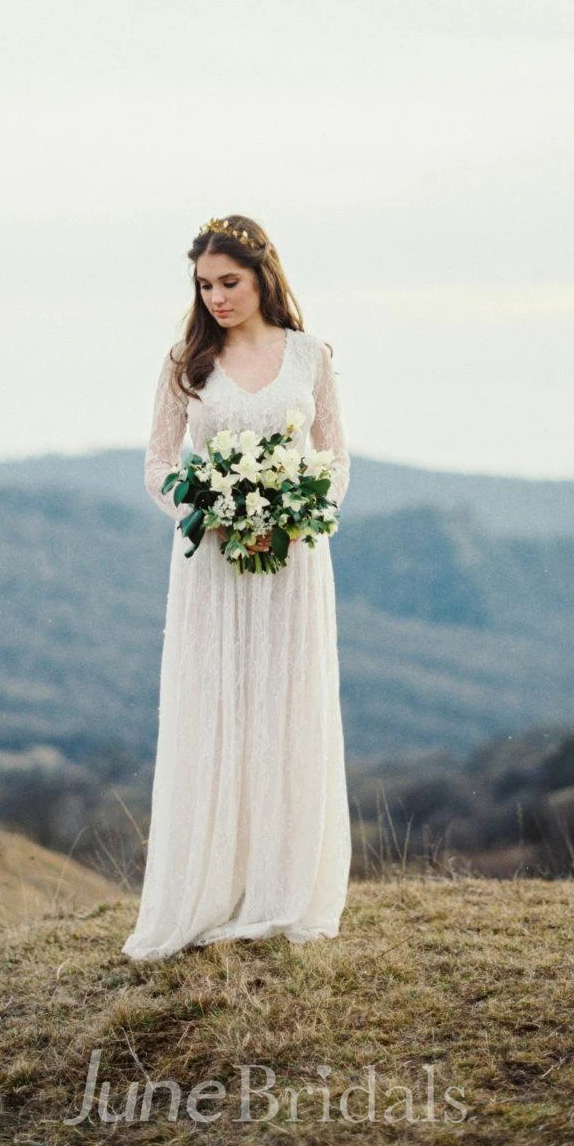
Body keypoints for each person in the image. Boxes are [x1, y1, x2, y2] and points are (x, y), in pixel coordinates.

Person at [121, 214, 352, 959]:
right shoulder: (184, 361)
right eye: (204, 285)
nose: (216, 297)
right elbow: (157, 463)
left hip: (292, 560)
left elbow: (334, 458)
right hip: (212, 561)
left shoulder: (310, 356)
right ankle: (208, 888)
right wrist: (209, 505)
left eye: (229, 282)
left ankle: (283, 891)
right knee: (216, 705)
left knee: (285, 704)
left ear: (262, 277)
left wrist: (293, 511)